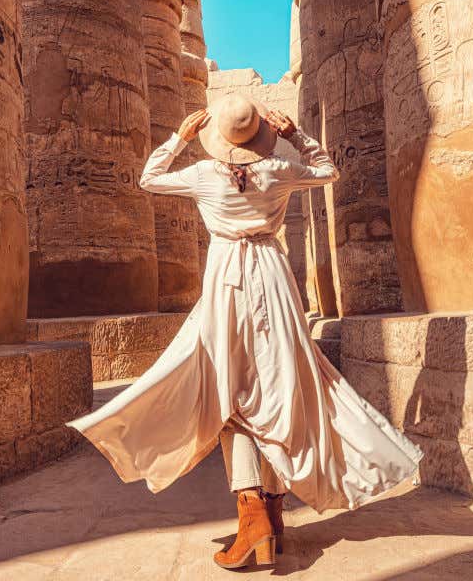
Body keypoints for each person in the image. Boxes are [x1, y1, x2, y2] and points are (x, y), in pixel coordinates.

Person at [67, 93, 423, 569]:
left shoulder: (201, 176)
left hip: (225, 282)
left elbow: (148, 178)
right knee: (278, 389)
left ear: (216, 139)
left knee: (228, 392)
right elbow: (328, 170)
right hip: (273, 278)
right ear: (261, 136)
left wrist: (178, 138)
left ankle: (253, 511)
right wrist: (296, 135)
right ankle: (271, 513)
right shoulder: (278, 171)